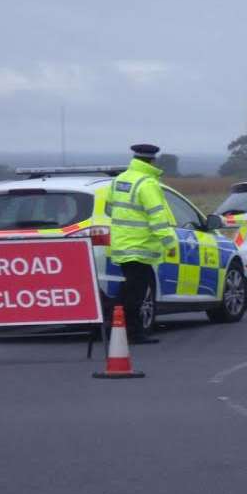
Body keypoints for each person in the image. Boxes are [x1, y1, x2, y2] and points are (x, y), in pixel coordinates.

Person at [107, 144, 178, 344]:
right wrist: (169, 242)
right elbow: (157, 217)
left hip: (122, 245)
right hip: (140, 247)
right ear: (152, 160)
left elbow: (110, 209)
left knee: (132, 289)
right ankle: (130, 332)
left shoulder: (119, 180)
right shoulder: (147, 183)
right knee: (135, 292)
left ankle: (122, 327)